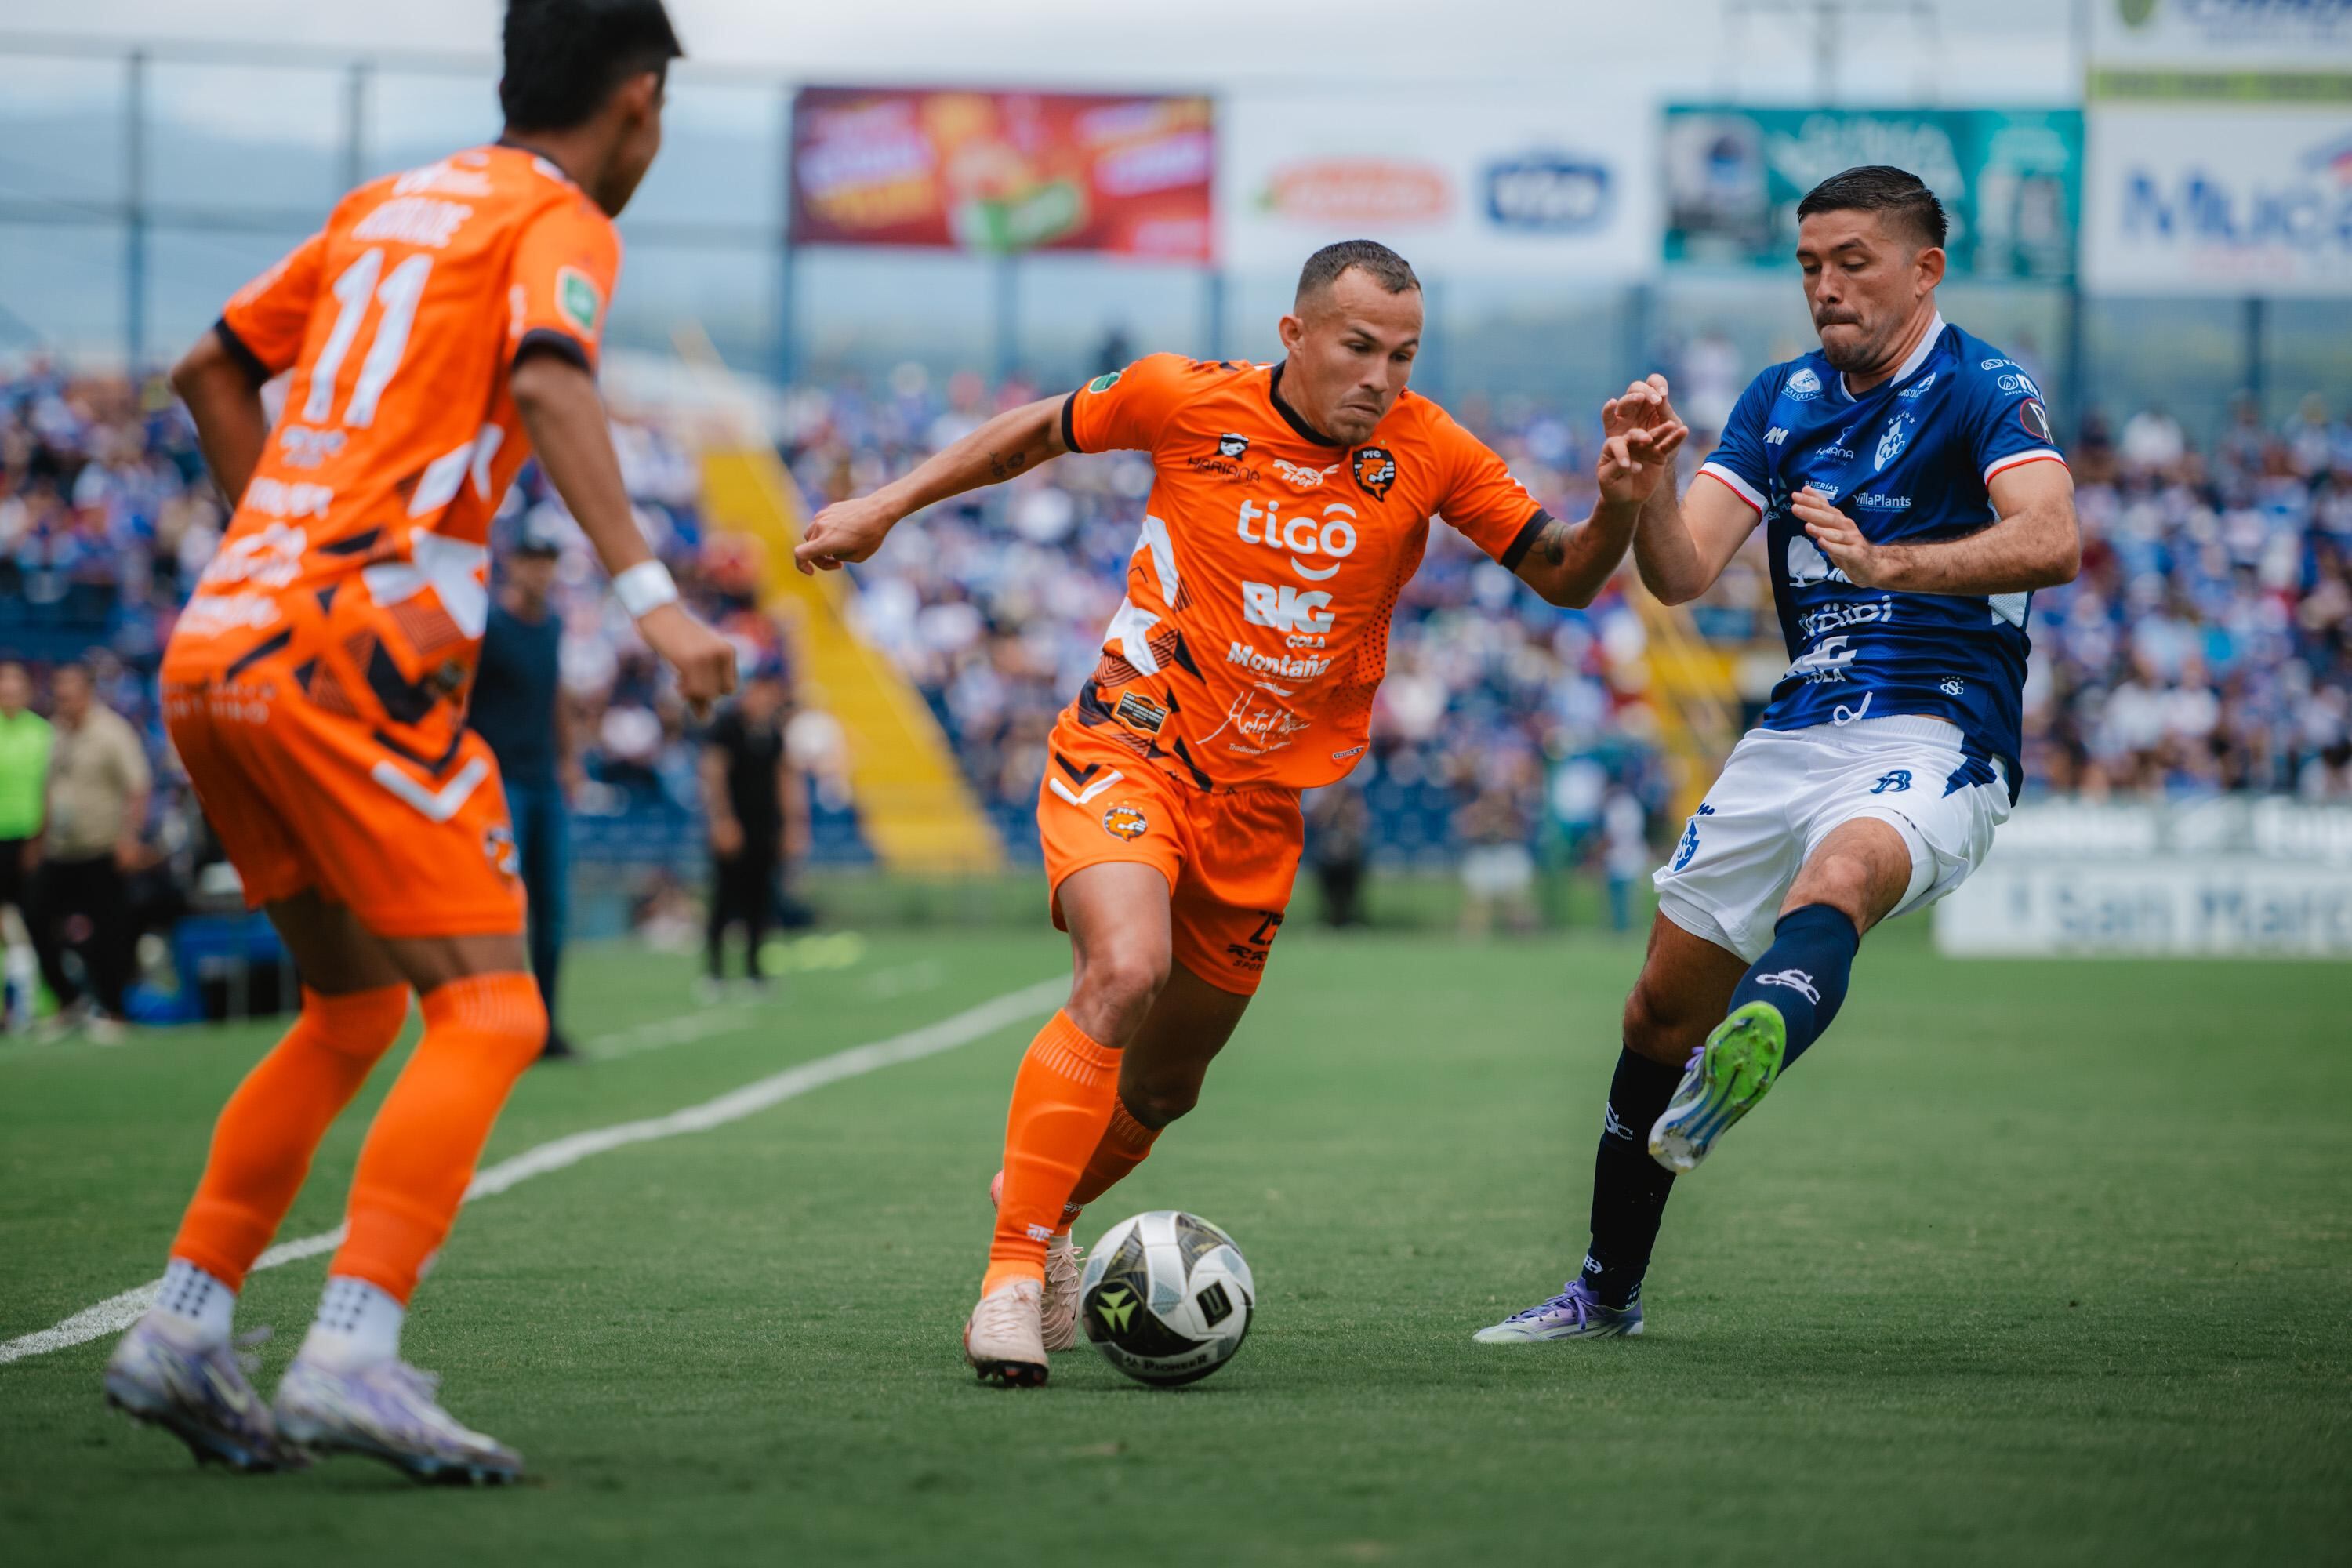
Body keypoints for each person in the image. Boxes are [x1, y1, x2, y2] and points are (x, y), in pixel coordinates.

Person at [797, 238, 1686, 1387]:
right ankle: (1012, 1278)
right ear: (1296, 336)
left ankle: (1041, 1195)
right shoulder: (1185, 398)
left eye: (1404, 354)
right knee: (1125, 970)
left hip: (1262, 808)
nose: (1382, 375)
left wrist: (1619, 504)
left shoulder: (1431, 449)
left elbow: (1565, 575)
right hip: (1132, 740)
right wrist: (887, 504)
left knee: (1166, 1087)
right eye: (1359, 347)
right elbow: (1034, 430)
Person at [102, 0, 735, 1483]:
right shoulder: (561, 218)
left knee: (351, 1013)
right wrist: (656, 603)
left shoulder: (386, 202)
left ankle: (185, 1329)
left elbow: (208, 369)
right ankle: (351, 1355)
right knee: (493, 1012)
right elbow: (546, 378)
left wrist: (285, 546)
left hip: (224, 643)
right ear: (639, 101)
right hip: (340, 656)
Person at [1478, 165, 2078, 1344]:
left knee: (1840, 880)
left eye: (1853, 260)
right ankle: (1605, 1295)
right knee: (1655, 1013)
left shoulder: (1983, 386)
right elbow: (1682, 573)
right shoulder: (1780, 398)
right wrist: (1646, 486)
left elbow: (2052, 537)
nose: (1826, 286)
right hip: (1796, 729)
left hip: (1936, 726)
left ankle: (1758, 1037)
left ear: (1924, 268)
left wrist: (1893, 565)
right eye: (1809, 265)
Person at [468, 520, 577, 1058]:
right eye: (533, 560)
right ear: (514, 565)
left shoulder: (551, 627)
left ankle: (546, 1024)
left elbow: (555, 693)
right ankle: (503, 1022)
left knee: (552, 909)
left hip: (543, 781)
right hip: (499, 783)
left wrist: (570, 759)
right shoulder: (489, 627)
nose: (542, 571)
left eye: (548, 561)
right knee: (503, 905)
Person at [31, 662, 150, 1042]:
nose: (62, 699)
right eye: (58, 692)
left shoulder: (112, 732)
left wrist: (129, 839)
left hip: (101, 848)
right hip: (60, 850)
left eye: (69, 692)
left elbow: (138, 787)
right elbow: (50, 789)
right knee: (35, 915)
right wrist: (40, 839)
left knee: (109, 930)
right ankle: (69, 1001)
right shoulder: (55, 733)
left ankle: (114, 1012)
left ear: (87, 692)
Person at [698, 660, 802, 994]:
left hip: (763, 827)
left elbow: (785, 780)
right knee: (725, 898)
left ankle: (754, 971)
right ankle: (714, 972)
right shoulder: (728, 727)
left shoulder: (773, 733)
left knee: (761, 900)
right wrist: (722, 820)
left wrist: (791, 826)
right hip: (735, 824)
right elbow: (713, 774)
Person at [0, 662, 51, 1031]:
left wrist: (40, 837)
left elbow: (51, 792)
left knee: (34, 921)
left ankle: (43, 1004)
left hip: (31, 841)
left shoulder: (43, 734)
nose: (7, 693)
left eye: (14, 686)